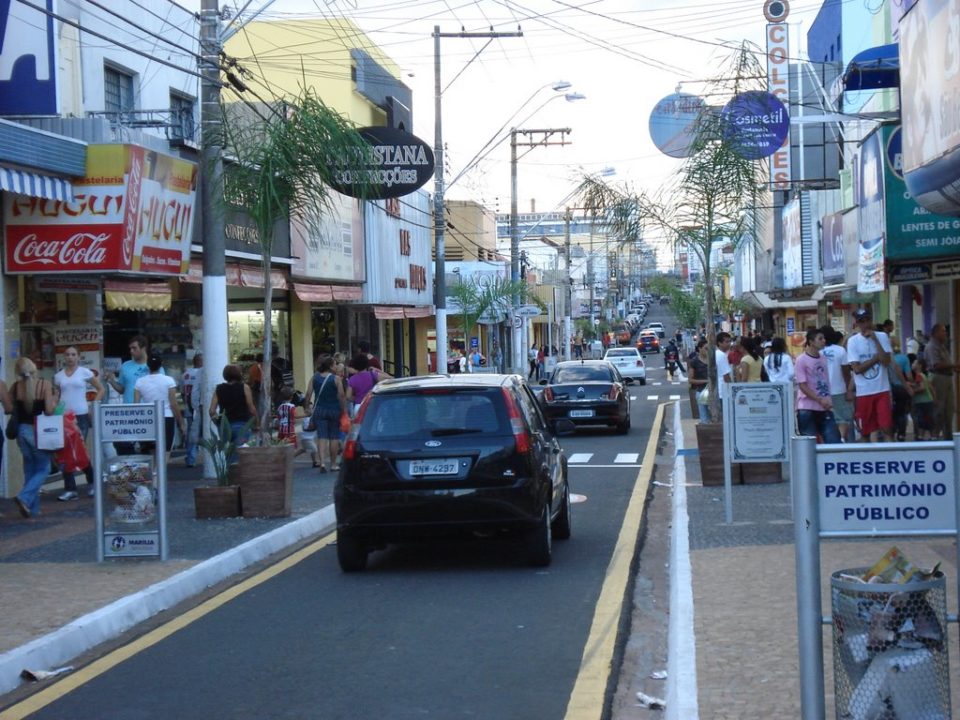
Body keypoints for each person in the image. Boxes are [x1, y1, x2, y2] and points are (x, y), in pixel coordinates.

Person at [6, 357, 57, 518]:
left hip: (21, 431)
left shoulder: (15, 388)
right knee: (44, 468)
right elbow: (49, 411)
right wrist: (55, 400)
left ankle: (32, 509)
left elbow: (8, 408)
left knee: (29, 469)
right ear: (34, 368)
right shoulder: (44, 385)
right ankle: (24, 497)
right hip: (38, 431)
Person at [54, 346, 104, 499]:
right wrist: (55, 411)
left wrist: (93, 405)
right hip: (64, 417)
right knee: (64, 451)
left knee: (79, 450)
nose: (70, 357)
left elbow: (101, 389)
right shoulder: (58, 376)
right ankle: (70, 488)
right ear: (64, 357)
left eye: (73, 354)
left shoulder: (85, 372)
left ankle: (93, 482)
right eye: (67, 354)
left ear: (78, 357)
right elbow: (57, 395)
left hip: (81, 415)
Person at [847, 308, 901, 442]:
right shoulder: (853, 341)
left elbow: (886, 361)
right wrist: (876, 359)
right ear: (857, 324)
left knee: (887, 427)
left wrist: (876, 340)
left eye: (867, 320)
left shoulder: (882, 336)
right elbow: (857, 369)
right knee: (865, 431)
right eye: (861, 321)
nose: (865, 324)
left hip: (882, 389)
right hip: (864, 391)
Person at [103, 335, 161, 454]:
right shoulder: (126, 366)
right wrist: (111, 381)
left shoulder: (154, 364)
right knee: (124, 445)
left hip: (148, 412)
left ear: (143, 348)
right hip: (129, 412)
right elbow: (122, 389)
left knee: (149, 447)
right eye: (130, 348)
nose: (131, 351)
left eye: (134, 348)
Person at [794, 328, 841, 443]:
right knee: (810, 444)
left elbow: (825, 381)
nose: (823, 341)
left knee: (833, 441)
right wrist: (819, 399)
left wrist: (828, 400)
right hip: (807, 407)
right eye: (820, 339)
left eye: (824, 338)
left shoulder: (823, 358)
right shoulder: (801, 360)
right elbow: (802, 385)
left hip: (824, 407)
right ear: (811, 342)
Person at [134, 355, 187, 457]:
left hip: (148, 418)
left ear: (148, 365)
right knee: (166, 450)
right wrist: (181, 423)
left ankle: (154, 472)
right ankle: (160, 472)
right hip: (166, 416)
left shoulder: (139, 382)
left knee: (151, 450)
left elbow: (136, 405)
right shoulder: (169, 380)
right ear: (161, 365)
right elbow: (174, 404)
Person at [209, 364, 258, 456]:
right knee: (242, 455)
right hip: (242, 425)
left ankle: (229, 470)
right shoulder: (244, 387)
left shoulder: (218, 388)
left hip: (224, 426)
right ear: (239, 374)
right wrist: (256, 423)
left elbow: (212, 411)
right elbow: (251, 408)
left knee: (229, 456)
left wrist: (218, 422)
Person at [310, 355, 347, 473]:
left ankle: (322, 462)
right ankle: (333, 464)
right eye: (335, 364)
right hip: (334, 410)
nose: (336, 366)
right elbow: (341, 396)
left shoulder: (315, 377)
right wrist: (343, 410)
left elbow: (308, 394)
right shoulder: (336, 379)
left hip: (320, 410)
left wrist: (306, 406)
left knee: (322, 436)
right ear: (331, 366)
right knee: (334, 437)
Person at [819, 327, 853, 442]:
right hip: (839, 389)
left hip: (822, 392)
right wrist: (849, 389)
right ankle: (842, 438)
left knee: (825, 418)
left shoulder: (818, 352)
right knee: (842, 418)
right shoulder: (840, 350)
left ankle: (828, 441)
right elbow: (846, 372)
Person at [923, 323, 956, 439]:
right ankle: (935, 435)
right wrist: (954, 365)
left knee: (949, 410)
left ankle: (948, 437)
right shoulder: (932, 346)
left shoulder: (941, 346)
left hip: (947, 377)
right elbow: (936, 365)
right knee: (939, 410)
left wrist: (953, 368)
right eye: (943, 331)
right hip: (938, 378)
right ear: (936, 333)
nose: (945, 333)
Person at [181, 353, 203, 467]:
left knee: (191, 433)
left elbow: (182, 392)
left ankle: (191, 458)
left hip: (188, 409)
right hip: (200, 408)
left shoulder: (185, 374)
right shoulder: (202, 373)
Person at [889, 337, 913, 441]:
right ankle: (901, 433)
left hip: (888, 388)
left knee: (891, 412)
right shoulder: (904, 358)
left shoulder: (887, 359)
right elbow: (909, 376)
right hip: (901, 388)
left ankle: (891, 431)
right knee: (902, 412)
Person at [910, 357, 935, 440]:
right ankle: (933, 436)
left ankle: (920, 436)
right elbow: (929, 387)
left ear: (919, 366)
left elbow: (922, 387)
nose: (912, 364)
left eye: (914, 363)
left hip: (922, 402)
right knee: (928, 419)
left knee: (921, 419)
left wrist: (913, 391)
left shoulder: (918, 375)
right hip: (928, 400)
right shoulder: (923, 375)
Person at [686, 339, 711, 420]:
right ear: (700, 349)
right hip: (701, 392)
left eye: (709, 349)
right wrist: (706, 381)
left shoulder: (713, 360)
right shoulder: (695, 362)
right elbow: (691, 380)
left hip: (714, 392)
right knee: (704, 417)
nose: (707, 351)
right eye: (706, 348)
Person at [714, 332, 733, 414]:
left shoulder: (717, 354)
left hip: (719, 390)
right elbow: (726, 376)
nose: (729, 344)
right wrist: (731, 389)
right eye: (727, 342)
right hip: (723, 391)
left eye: (730, 341)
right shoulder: (721, 355)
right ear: (719, 343)